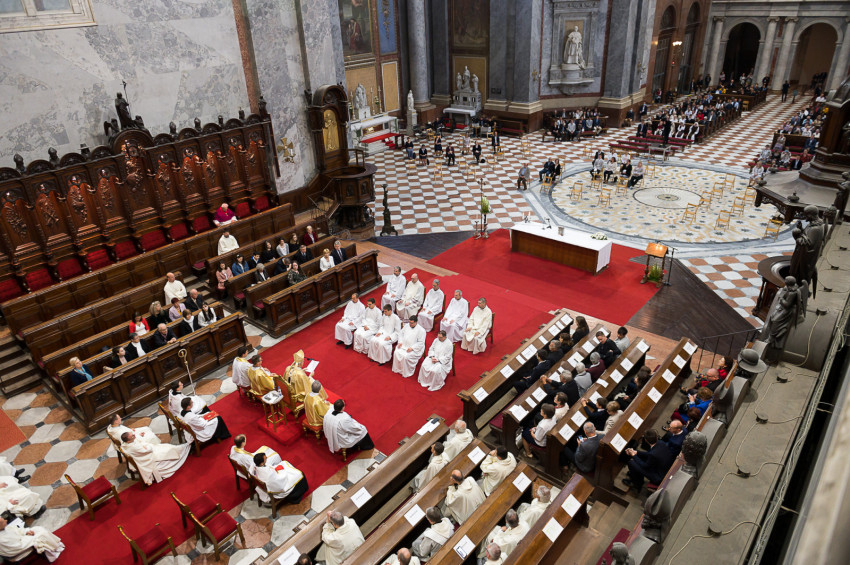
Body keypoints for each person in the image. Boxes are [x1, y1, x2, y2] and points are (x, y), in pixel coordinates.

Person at [121, 430, 192, 485]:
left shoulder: (125, 444)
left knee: (166, 446)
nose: (134, 435)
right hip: (148, 458)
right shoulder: (134, 447)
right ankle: (185, 448)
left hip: (147, 454)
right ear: (128, 440)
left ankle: (183, 447)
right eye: (132, 436)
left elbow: (141, 446)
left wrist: (145, 445)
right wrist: (147, 446)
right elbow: (147, 450)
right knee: (167, 450)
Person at [0, 516, 65, 563]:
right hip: (20, 551)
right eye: (3, 522)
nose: (6, 520)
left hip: (23, 540)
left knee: (38, 528)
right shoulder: (2, 539)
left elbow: (17, 530)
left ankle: (55, 545)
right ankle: (54, 550)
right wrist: (31, 537)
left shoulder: (4, 527)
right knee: (41, 535)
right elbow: (18, 547)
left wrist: (26, 532)